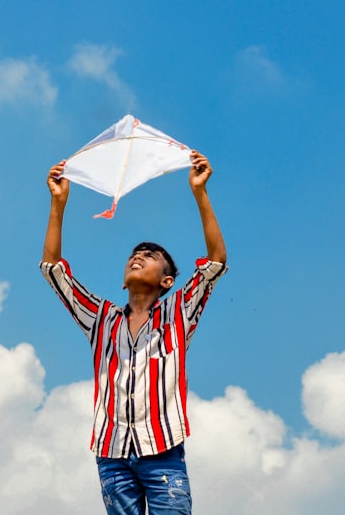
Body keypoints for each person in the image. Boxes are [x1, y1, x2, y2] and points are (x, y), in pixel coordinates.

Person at [40, 150, 228, 515]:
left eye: (150, 255)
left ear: (167, 280)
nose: (138, 256)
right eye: (134, 253)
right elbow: (53, 271)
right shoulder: (101, 319)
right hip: (111, 453)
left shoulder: (179, 312)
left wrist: (199, 193)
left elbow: (216, 263)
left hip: (162, 451)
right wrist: (58, 203)